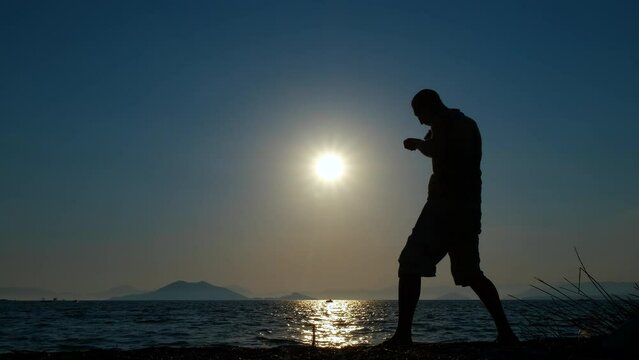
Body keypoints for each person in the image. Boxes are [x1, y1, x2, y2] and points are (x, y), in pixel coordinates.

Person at [385, 89, 518, 346]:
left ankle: (403, 336)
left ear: (428, 107)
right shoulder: (464, 123)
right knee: (471, 273)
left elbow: (438, 149)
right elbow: (439, 145)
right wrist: (426, 138)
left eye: (419, 114)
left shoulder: (447, 125)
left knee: (410, 264)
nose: (420, 121)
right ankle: (506, 333)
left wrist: (418, 143)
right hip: (468, 209)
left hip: (445, 207)